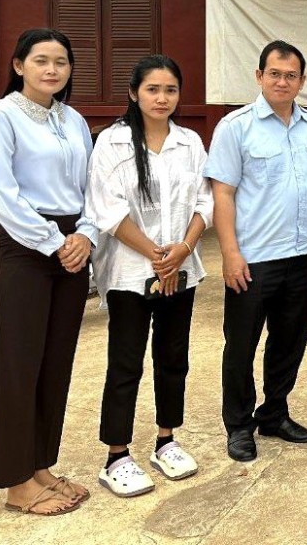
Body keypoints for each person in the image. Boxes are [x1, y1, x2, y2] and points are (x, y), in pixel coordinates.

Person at [0, 28, 98, 515]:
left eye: (61, 62)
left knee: (55, 362)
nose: (52, 69)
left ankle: (40, 465)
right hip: (25, 245)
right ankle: (15, 482)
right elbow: (1, 193)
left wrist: (86, 234)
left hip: (73, 245)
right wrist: (53, 242)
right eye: (41, 60)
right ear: (19, 65)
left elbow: (92, 187)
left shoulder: (73, 120)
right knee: (19, 365)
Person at [84, 56, 211, 497]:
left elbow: (205, 201)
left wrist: (183, 250)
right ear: (134, 93)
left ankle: (166, 440)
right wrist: (158, 257)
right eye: (153, 89)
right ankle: (116, 455)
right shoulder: (112, 142)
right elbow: (107, 209)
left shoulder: (190, 142)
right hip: (130, 271)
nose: (162, 98)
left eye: (170, 90)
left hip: (181, 267)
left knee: (173, 357)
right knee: (126, 361)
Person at [205, 40, 307, 462]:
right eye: (274, 74)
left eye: (291, 75)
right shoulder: (235, 127)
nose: (282, 81)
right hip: (253, 258)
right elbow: (222, 193)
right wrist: (230, 253)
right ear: (259, 76)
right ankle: (239, 425)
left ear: (302, 81)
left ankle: (275, 413)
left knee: (289, 341)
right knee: (241, 346)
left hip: (300, 254)